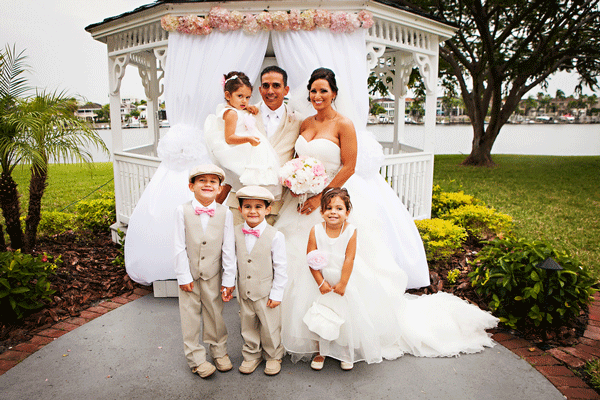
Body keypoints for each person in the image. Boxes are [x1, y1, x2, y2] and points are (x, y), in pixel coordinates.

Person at [276, 68, 499, 363]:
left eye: (323, 91)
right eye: (313, 91)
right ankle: (304, 333)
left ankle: (347, 337)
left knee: (344, 264)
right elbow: (299, 161)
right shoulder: (305, 123)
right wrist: (297, 183)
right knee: (299, 265)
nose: (318, 97)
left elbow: (348, 166)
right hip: (303, 202)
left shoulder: (343, 124)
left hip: (333, 199)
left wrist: (322, 197)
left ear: (334, 94)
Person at [173, 164, 236, 378]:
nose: (207, 184)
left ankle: (219, 351)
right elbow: (178, 245)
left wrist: (228, 279)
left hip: (213, 274)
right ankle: (196, 357)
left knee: (214, 313)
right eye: (202, 181)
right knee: (189, 316)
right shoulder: (182, 210)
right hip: (189, 274)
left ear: (220, 188)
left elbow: (228, 248)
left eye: (213, 181)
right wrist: (183, 275)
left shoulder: (225, 213)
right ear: (191, 186)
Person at [219, 66, 302, 225]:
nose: (270, 90)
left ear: (286, 89)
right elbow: (225, 150)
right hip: (241, 200)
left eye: (276, 85)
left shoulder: (297, 119)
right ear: (260, 89)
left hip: (276, 203)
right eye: (266, 86)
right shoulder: (242, 112)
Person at [234, 185, 287, 376]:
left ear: (267, 209)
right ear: (240, 210)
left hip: (266, 291)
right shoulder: (235, 232)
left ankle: (273, 355)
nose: (253, 211)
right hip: (244, 290)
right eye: (247, 206)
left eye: (258, 206)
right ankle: (251, 354)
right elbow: (231, 262)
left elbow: (280, 267)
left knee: (270, 326)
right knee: (247, 324)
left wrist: (277, 293)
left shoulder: (276, 236)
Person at [204, 71, 281, 195]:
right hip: (238, 148)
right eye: (240, 96)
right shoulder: (232, 114)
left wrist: (246, 107)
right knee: (254, 174)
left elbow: (237, 108)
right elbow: (229, 138)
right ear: (228, 95)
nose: (244, 101)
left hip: (245, 145)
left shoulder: (233, 109)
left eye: (247, 97)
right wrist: (248, 139)